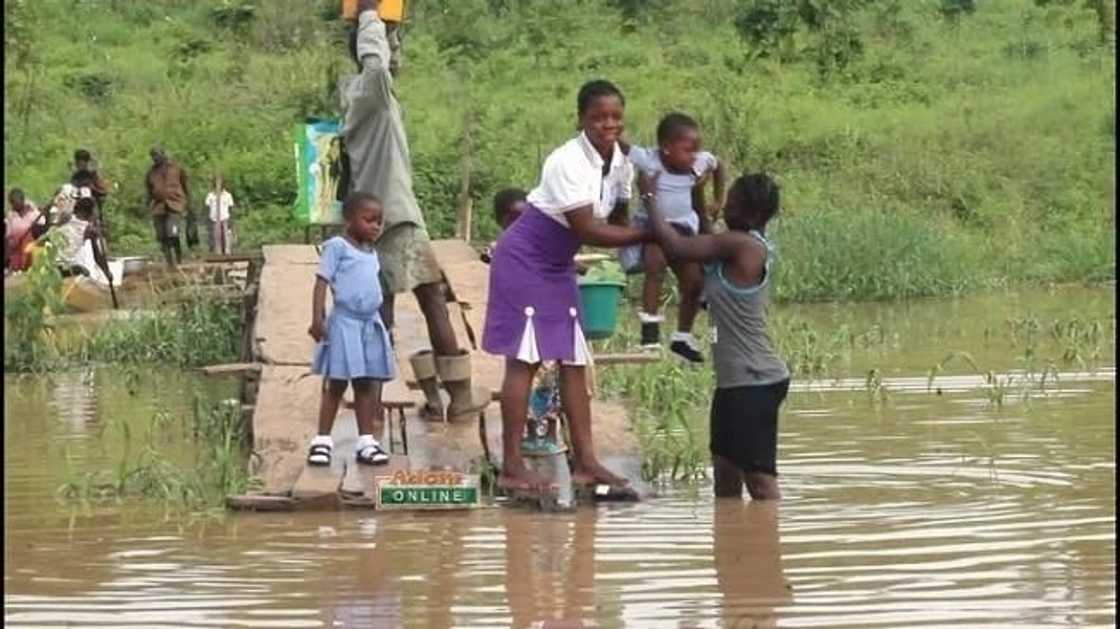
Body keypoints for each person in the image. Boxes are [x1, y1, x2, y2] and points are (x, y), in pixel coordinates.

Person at [481, 79, 647, 493]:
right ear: (581, 120)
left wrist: (647, 228)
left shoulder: (621, 161)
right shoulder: (566, 161)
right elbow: (588, 228)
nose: (608, 124)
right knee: (525, 360)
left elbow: (620, 215)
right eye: (598, 117)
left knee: (574, 361)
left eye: (615, 117)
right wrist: (651, 235)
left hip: (557, 265)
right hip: (524, 260)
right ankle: (512, 466)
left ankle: (587, 461)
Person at [341, 0, 488, 422]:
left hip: (370, 217)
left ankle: (389, 399)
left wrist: (390, 30)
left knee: (380, 308)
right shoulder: (374, 91)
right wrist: (370, 15)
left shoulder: (358, 102)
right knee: (432, 299)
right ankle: (459, 395)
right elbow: (378, 66)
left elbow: (386, 65)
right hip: (398, 215)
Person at [643, 171, 789, 500]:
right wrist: (695, 196)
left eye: (732, 202)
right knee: (724, 474)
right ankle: (732, 546)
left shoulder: (743, 245)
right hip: (734, 384)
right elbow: (707, 237)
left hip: (755, 381)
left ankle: (767, 544)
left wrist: (650, 198)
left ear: (751, 213)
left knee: (761, 485)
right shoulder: (735, 246)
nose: (723, 208)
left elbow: (677, 246)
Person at [621, 113, 726, 362]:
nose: (694, 155)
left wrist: (719, 199)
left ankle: (682, 337)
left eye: (696, 150)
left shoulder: (697, 164)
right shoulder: (650, 162)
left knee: (693, 282)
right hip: (654, 230)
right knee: (654, 268)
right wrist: (614, 124)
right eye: (688, 150)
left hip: (683, 233)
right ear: (666, 148)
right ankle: (650, 332)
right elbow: (624, 146)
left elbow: (718, 165)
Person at [306, 192, 395, 467]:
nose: (375, 227)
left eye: (379, 222)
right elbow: (322, 282)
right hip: (345, 322)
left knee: (366, 382)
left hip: (369, 323)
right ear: (349, 219)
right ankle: (322, 441)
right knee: (337, 382)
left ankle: (366, 441)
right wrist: (317, 318)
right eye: (368, 220)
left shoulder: (371, 252)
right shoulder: (337, 246)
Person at [145, 146, 190, 268]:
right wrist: (147, 205)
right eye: (153, 156)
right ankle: (169, 262)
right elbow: (149, 190)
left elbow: (185, 185)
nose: (155, 158)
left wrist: (187, 204)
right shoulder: (151, 173)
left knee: (172, 233)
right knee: (162, 236)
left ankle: (179, 258)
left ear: (163, 155)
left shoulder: (176, 168)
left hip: (175, 204)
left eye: (157, 155)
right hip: (159, 206)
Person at [6, 189, 39, 272]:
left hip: (32, 250)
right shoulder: (11, 216)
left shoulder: (33, 213)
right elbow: (8, 234)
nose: (16, 207)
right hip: (16, 251)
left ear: (23, 200)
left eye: (18, 204)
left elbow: (42, 229)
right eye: (13, 204)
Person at [70, 149, 111, 213]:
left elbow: (102, 190)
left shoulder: (92, 174)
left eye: (82, 161)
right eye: (78, 162)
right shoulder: (76, 175)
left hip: (90, 205)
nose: (80, 164)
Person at [205, 174, 235, 255]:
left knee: (226, 237)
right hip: (214, 219)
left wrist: (231, 222)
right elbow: (207, 207)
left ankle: (227, 253)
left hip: (225, 218)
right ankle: (217, 253)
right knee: (216, 237)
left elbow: (230, 208)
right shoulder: (210, 195)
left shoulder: (228, 195)